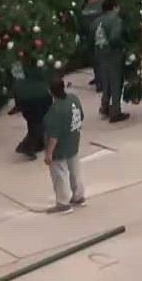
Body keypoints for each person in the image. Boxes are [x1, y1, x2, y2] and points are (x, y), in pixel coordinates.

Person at [42, 78, 86, 214]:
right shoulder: (74, 99)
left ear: (51, 92)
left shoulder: (55, 111)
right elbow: (81, 116)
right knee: (75, 171)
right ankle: (78, 196)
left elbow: (54, 137)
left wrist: (49, 153)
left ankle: (62, 203)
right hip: (73, 140)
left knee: (59, 174)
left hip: (60, 148)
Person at [93, 0, 130, 122]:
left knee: (106, 81)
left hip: (99, 53)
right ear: (114, 7)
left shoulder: (96, 21)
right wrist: (124, 46)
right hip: (113, 53)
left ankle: (104, 107)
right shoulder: (115, 20)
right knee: (116, 81)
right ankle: (115, 111)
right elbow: (115, 38)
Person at [8, 55, 51, 160]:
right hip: (37, 95)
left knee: (33, 121)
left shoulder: (15, 61)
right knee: (38, 121)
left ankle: (38, 142)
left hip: (24, 96)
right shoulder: (36, 59)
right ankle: (27, 145)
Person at [74, 0, 102, 91]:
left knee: (100, 60)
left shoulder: (100, 6)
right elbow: (80, 21)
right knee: (93, 60)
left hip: (98, 37)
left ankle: (101, 82)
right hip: (88, 37)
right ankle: (97, 77)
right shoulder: (83, 6)